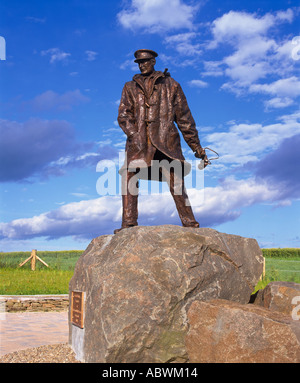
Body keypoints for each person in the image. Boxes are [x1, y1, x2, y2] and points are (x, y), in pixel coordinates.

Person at [114, 49, 207, 234]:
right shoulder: (129, 87)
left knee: (175, 179)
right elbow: (123, 115)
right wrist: (134, 134)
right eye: (139, 62)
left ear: (154, 61)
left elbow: (184, 118)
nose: (142, 65)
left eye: (146, 61)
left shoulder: (171, 85)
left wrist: (196, 147)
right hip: (139, 144)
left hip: (166, 142)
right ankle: (129, 223)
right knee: (129, 175)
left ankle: (189, 222)